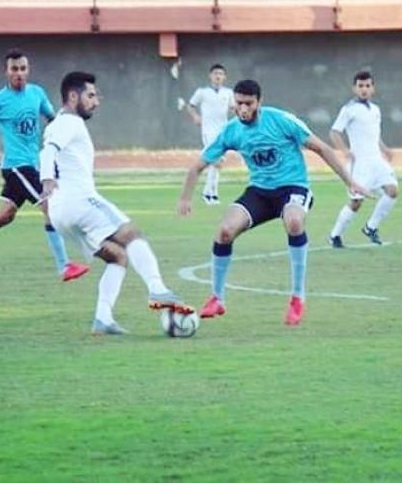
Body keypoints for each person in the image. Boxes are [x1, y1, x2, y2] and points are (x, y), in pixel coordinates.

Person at [177, 79, 367, 326]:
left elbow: (322, 148)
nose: (243, 109)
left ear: (259, 102)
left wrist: (349, 182)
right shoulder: (231, 130)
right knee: (224, 231)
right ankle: (217, 298)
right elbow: (197, 166)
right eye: (238, 103)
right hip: (260, 191)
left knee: (294, 221)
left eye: (248, 103)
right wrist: (185, 197)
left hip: (293, 187)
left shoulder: (281, 120)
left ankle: (297, 297)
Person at [40, 71, 195, 335]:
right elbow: (48, 152)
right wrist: (46, 180)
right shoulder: (70, 122)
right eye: (90, 96)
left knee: (117, 257)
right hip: (80, 201)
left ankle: (103, 319)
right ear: (73, 96)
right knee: (131, 233)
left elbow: (49, 151)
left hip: (59, 213)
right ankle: (157, 288)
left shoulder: (56, 124)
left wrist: (48, 188)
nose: (96, 101)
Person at [0, 48, 89, 282]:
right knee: (50, 206)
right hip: (16, 166)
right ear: (6, 71)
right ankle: (64, 266)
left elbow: (52, 119)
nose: (19, 73)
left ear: (28, 70)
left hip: (31, 165)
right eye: (14, 69)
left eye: (23, 68)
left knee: (5, 215)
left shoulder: (37, 93)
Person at [327, 70, 399, 248]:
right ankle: (335, 235)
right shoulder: (349, 109)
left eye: (367, 85)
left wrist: (384, 148)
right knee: (356, 202)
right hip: (360, 164)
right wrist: (345, 150)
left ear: (373, 88)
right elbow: (334, 132)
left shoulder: (375, 110)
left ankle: (371, 227)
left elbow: (374, 134)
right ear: (354, 88)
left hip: (377, 161)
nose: (364, 89)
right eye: (360, 86)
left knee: (392, 190)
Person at [187, 63, 235, 205]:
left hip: (223, 130)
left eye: (220, 74)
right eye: (215, 74)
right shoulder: (202, 92)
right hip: (208, 130)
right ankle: (209, 194)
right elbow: (191, 105)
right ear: (210, 76)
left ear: (224, 77)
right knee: (215, 159)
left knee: (217, 163)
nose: (218, 76)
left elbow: (233, 108)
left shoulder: (228, 93)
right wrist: (195, 117)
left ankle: (210, 193)